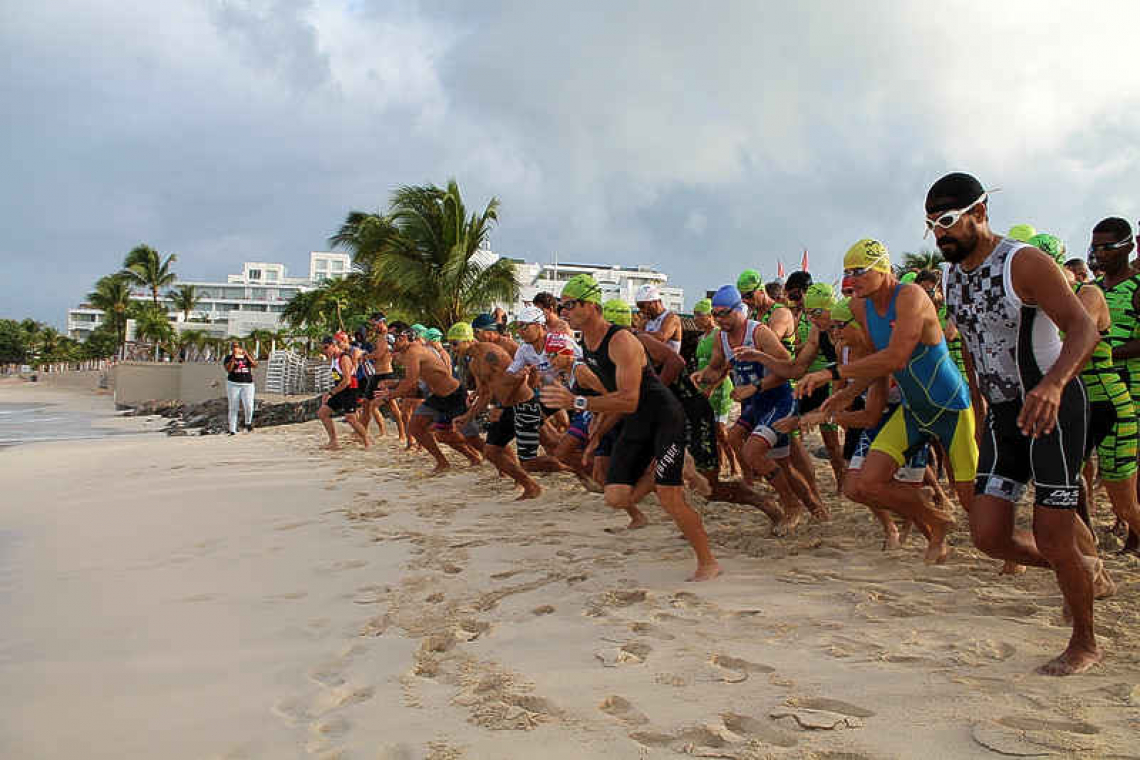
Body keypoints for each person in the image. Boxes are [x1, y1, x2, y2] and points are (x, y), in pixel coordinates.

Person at [934, 172, 1105, 675]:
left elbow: (1083, 327)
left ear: (980, 211)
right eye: (931, 225)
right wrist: (981, 400)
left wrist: (1051, 385)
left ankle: (1084, 642)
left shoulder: (1023, 263)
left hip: (1052, 409)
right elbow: (970, 341)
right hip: (1003, 413)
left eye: (947, 220)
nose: (940, 233)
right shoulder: (953, 274)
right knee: (988, 535)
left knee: (1053, 534)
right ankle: (1082, 569)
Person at [797, 238, 977, 565]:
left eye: (860, 271)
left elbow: (894, 358)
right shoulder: (859, 306)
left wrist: (830, 375)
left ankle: (1014, 554)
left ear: (883, 268)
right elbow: (874, 362)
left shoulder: (910, 296)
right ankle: (936, 519)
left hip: (949, 405)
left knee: (972, 501)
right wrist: (843, 395)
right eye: (847, 273)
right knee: (867, 484)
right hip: (913, 410)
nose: (851, 280)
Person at [541, 274, 721, 581]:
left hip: (664, 417)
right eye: (561, 306)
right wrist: (597, 428)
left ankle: (708, 563)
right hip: (636, 419)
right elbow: (610, 393)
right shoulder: (588, 343)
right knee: (615, 497)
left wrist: (577, 403)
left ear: (591, 305)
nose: (564, 312)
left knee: (669, 497)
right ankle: (677, 467)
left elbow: (627, 398)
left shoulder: (621, 340)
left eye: (569, 305)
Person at [693, 285, 823, 534]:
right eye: (716, 315)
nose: (720, 320)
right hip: (756, 404)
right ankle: (815, 507)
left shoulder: (759, 333)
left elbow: (788, 367)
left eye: (724, 314)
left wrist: (754, 386)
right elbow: (716, 368)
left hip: (779, 400)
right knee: (772, 459)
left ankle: (791, 504)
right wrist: (703, 376)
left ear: (738, 310)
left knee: (754, 452)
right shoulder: (720, 337)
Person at [1089, 217, 1140, 553]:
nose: (1100, 253)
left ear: (1128, 247)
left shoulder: (1137, 289)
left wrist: (1103, 349)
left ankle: (1134, 537)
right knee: (1116, 470)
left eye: (1108, 247)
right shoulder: (1094, 290)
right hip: (1103, 387)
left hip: (1133, 387)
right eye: (1096, 247)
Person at [450, 324, 542, 499]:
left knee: (546, 451)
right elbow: (485, 393)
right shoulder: (475, 364)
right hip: (506, 407)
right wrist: (468, 417)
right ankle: (530, 486)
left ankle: (578, 470)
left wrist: (501, 405)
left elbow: (516, 379)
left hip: (523, 403)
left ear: (469, 340)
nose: (453, 349)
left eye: (455, 343)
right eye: (451, 344)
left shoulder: (492, 354)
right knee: (491, 451)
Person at [376, 322, 480, 473]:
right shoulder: (408, 353)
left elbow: (411, 382)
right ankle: (445, 462)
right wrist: (393, 384)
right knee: (416, 428)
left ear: (403, 337)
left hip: (454, 395)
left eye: (391, 339)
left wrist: (390, 395)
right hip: (438, 397)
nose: (389, 343)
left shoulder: (413, 352)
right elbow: (415, 380)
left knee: (462, 437)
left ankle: (484, 455)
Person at [692, 298, 739, 476]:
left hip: (719, 388)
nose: (695, 319)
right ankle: (720, 465)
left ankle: (735, 465)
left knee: (720, 430)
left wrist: (712, 387)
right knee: (710, 430)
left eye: (698, 315)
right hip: (704, 387)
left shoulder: (719, 335)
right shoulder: (701, 337)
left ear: (709, 316)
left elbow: (726, 366)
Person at [316, 336, 371, 451]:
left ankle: (367, 441)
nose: (325, 351)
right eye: (323, 349)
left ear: (334, 345)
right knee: (322, 413)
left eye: (326, 348)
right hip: (340, 391)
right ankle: (333, 441)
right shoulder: (334, 359)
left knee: (351, 419)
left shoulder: (344, 358)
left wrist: (331, 393)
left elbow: (347, 380)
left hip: (350, 390)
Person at [223, 341, 257, 435]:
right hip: (233, 384)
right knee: (233, 407)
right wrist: (234, 357)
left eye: (237, 346)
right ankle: (232, 429)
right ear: (231, 348)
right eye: (234, 346)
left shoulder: (246, 356)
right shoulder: (228, 358)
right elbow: (228, 369)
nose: (235, 348)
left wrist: (247, 355)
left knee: (249, 405)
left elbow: (255, 365)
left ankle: (248, 424)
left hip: (248, 384)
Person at [635, 284, 682, 352]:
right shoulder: (646, 320)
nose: (641, 310)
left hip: (667, 361)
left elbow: (661, 338)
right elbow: (636, 339)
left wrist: (636, 332)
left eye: (642, 306)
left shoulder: (672, 317)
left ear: (655, 302)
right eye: (638, 306)